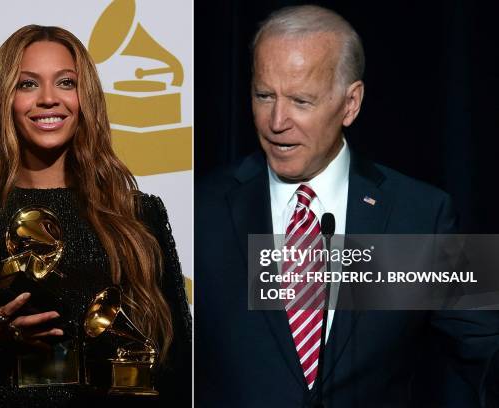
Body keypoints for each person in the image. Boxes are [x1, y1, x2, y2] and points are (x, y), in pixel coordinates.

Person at [195, 5, 499, 407]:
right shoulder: (201, 209)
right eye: (264, 95)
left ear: (351, 103)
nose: (277, 120)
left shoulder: (420, 215)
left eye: (302, 101)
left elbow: (488, 348)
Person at [0, 25, 191, 407]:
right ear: (3, 99)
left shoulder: (137, 214)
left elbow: (179, 371)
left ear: (87, 98)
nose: (49, 99)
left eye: (66, 82)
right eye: (27, 84)